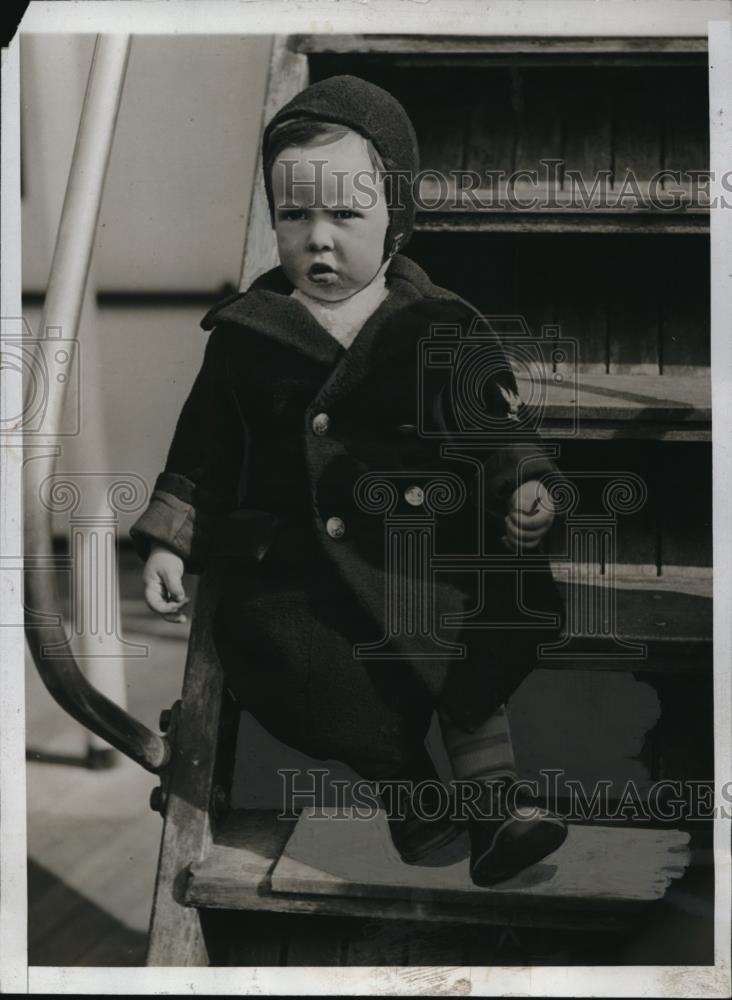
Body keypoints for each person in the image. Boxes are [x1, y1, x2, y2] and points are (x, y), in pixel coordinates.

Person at [130, 75, 568, 886]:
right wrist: (168, 538)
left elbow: (495, 423)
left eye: (345, 216)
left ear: (395, 222)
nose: (318, 241)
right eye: (294, 216)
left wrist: (523, 486)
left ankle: (496, 806)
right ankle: (411, 796)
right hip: (298, 571)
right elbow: (203, 449)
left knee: (472, 628)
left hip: (421, 548)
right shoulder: (246, 336)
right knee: (304, 668)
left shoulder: (436, 324)